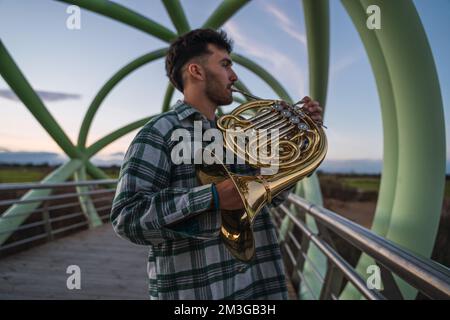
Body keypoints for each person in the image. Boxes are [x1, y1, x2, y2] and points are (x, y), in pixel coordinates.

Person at [110, 28, 323, 300]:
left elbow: (272, 196)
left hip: (255, 286)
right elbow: (126, 217)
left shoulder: (240, 134)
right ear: (196, 71)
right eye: (224, 64)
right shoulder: (159, 133)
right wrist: (211, 197)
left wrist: (303, 136)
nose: (233, 76)